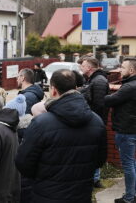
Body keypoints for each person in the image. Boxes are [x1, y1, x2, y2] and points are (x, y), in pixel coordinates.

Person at [16, 69, 106, 203]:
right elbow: (100, 160)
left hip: (46, 194)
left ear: (53, 90)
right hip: (81, 194)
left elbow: (23, 163)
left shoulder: (40, 123)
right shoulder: (97, 121)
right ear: (75, 88)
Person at [104, 58, 136, 203]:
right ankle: (133, 193)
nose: (120, 70)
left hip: (126, 130)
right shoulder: (130, 85)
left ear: (131, 70)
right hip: (131, 129)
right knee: (132, 163)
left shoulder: (129, 87)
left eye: (122, 68)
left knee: (128, 164)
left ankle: (129, 198)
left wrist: (102, 94)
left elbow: (109, 100)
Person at [79, 57, 109, 188]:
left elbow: (99, 106)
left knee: (94, 150)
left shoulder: (99, 81)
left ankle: (95, 179)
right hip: (92, 122)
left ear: (90, 68)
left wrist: (94, 123)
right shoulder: (93, 80)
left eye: (83, 65)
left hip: (95, 124)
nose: (81, 67)